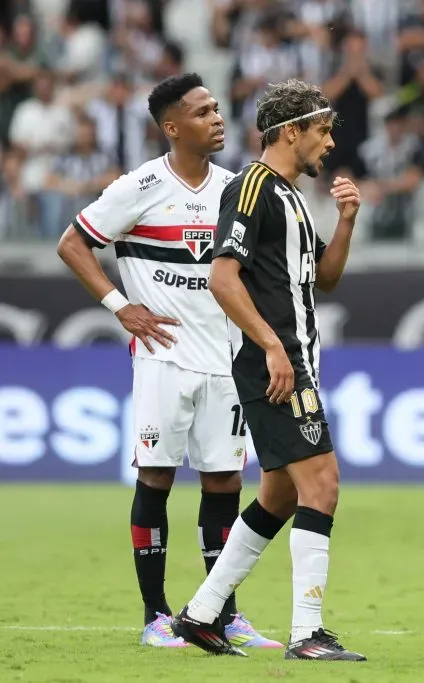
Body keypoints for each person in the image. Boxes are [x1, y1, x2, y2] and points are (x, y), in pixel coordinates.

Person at [55, 73, 278, 650]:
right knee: (156, 476)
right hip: (164, 359)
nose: (218, 119)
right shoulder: (141, 186)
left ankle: (221, 613)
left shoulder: (236, 190)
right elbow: (73, 243)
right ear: (172, 128)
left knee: (224, 481)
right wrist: (120, 306)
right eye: (203, 112)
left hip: (226, 360)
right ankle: (155, 616)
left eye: (217, 109)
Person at [169, 79, 366, 661]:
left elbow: (325, 279)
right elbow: (222, 278)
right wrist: (273, 348)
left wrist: (347, 220)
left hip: (291, 361)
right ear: (290, 132)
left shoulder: (292, 197)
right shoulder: (251, 188)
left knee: (279, 495)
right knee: (322, 485)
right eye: (322, 130)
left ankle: (201, 614)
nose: (330, 142)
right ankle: (307, 633)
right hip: (275, 365)